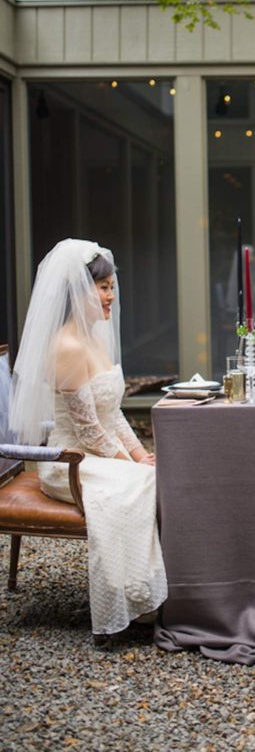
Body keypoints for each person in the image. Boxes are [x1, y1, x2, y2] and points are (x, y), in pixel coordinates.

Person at [9, 239, 167, 642]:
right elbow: (87, 431)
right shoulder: (67, 347)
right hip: (68, 461)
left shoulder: (96, 338)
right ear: (80, 292)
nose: (111, 296)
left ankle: (143, 590)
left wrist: (138, 453)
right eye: (103, 287)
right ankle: (128, 597)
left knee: (152, 474)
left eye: (113, 286)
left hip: (95, 451)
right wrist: (130, 465)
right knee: (140, 484)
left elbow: (111, 413)